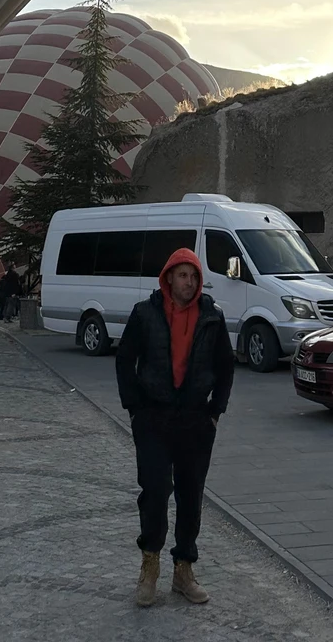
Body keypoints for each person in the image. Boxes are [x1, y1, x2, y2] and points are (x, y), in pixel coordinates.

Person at [115, 247, 234, 608]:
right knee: (154, 491)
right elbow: (125, 359)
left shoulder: (211, 316)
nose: (190, 282)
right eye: (183, 275)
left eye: (195, 276)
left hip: (196, 421)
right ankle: (149, 566)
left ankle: (184, 569)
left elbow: (226, 366)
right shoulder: (145, 314)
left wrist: (215, 412)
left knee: (190, 495)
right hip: (153, 418)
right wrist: (134, 409)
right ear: (168, 277)